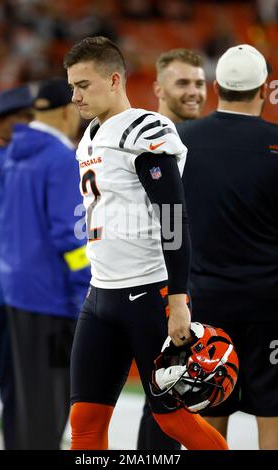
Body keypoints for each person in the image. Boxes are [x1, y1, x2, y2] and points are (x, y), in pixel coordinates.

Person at [64, 36, 228, 450]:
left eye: (84, 84)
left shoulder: (144, 130)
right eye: (72, 86)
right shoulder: (90, 136)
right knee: (85, 419)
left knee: (174, 422)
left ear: (115, 79)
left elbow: (174, 216)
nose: (75, 95)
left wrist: (177, 298)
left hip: (148, 294)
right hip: (99, 294)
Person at [180, 44, 278, 449]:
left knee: (208, 408)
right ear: (264, 89)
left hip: (205, 303)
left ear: (216, 86)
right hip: (270, 303)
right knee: (273, 411)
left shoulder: (180, 142)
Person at [0, 78, 91, 449]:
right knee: (51, 406)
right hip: (52, 298)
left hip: (18, 293)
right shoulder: (59, 159)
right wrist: (85, 288)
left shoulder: (14, 154)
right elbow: (70, 236)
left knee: (29, 402)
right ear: (68, 112)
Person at [137, 48, 207, 451]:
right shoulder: (145, 146)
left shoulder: (201, 144)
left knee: (184, 397)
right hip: (157, 290)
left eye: (199, 83)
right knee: (164, 399)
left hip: (196, 284)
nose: (194, 91)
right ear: (158, 88)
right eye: (183, 83)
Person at [0, 85, 33, 449]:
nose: (30, 125)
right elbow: (19, 214)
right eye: (23, 118)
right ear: (4, 121)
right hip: (7, 288)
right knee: (18, 381)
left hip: (19, 287)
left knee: (30, 379)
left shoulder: (5, 158)